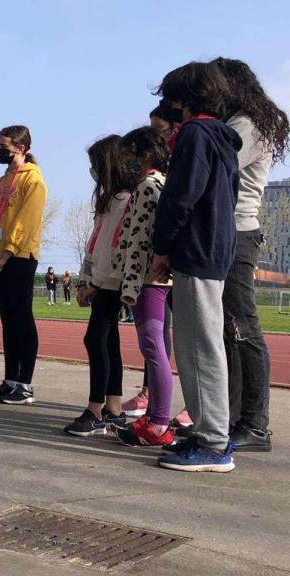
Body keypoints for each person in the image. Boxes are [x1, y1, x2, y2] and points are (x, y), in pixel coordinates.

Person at [151, 61, 241, 473]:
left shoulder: (194, 134)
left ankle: (213, 442)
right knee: (202, 343)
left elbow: (180, 196)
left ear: (183, 99)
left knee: (198, 347)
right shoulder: (221, 138)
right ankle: (210, 431)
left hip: (197, 249)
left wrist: (163, 246)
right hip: (214, 247)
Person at [213, 57, 288, 453]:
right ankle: (232, 416)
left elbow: (215, 165)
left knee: (243, 327)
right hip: (229, 231)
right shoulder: (238, 122)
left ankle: (255, 423)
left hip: (238, 232)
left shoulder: (248, 125)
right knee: (230, 327)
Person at [112, 126, 175, 447]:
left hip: (148, 279)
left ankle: (159, 422)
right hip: (151, 278)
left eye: (129, 155)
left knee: (153, 348)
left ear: (145, 154)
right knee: (154, 348)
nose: (126, 162)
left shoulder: (149, 186)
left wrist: (131, 279)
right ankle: (154, 417)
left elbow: (139, 237)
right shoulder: (158, 183)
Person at [0, 126, 47, 405]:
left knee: (22, 317)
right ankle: (10, 380)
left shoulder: (34, 181)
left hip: (19, 257)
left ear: (21, 148)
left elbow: (25, 223)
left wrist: (5, 255)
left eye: (4, 147)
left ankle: (25, 384)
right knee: (7, 320)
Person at [65, 135, 130, 436]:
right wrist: (84, 279)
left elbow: (117, 248)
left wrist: (96, 283)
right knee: (109, 341)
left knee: (95, 339)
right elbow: (94, 245)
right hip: (100, 280)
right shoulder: (107, 201)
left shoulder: (126, 200)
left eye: (96, 164)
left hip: (112, 282)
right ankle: (113, 409)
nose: (93, 171)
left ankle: (95, 410)